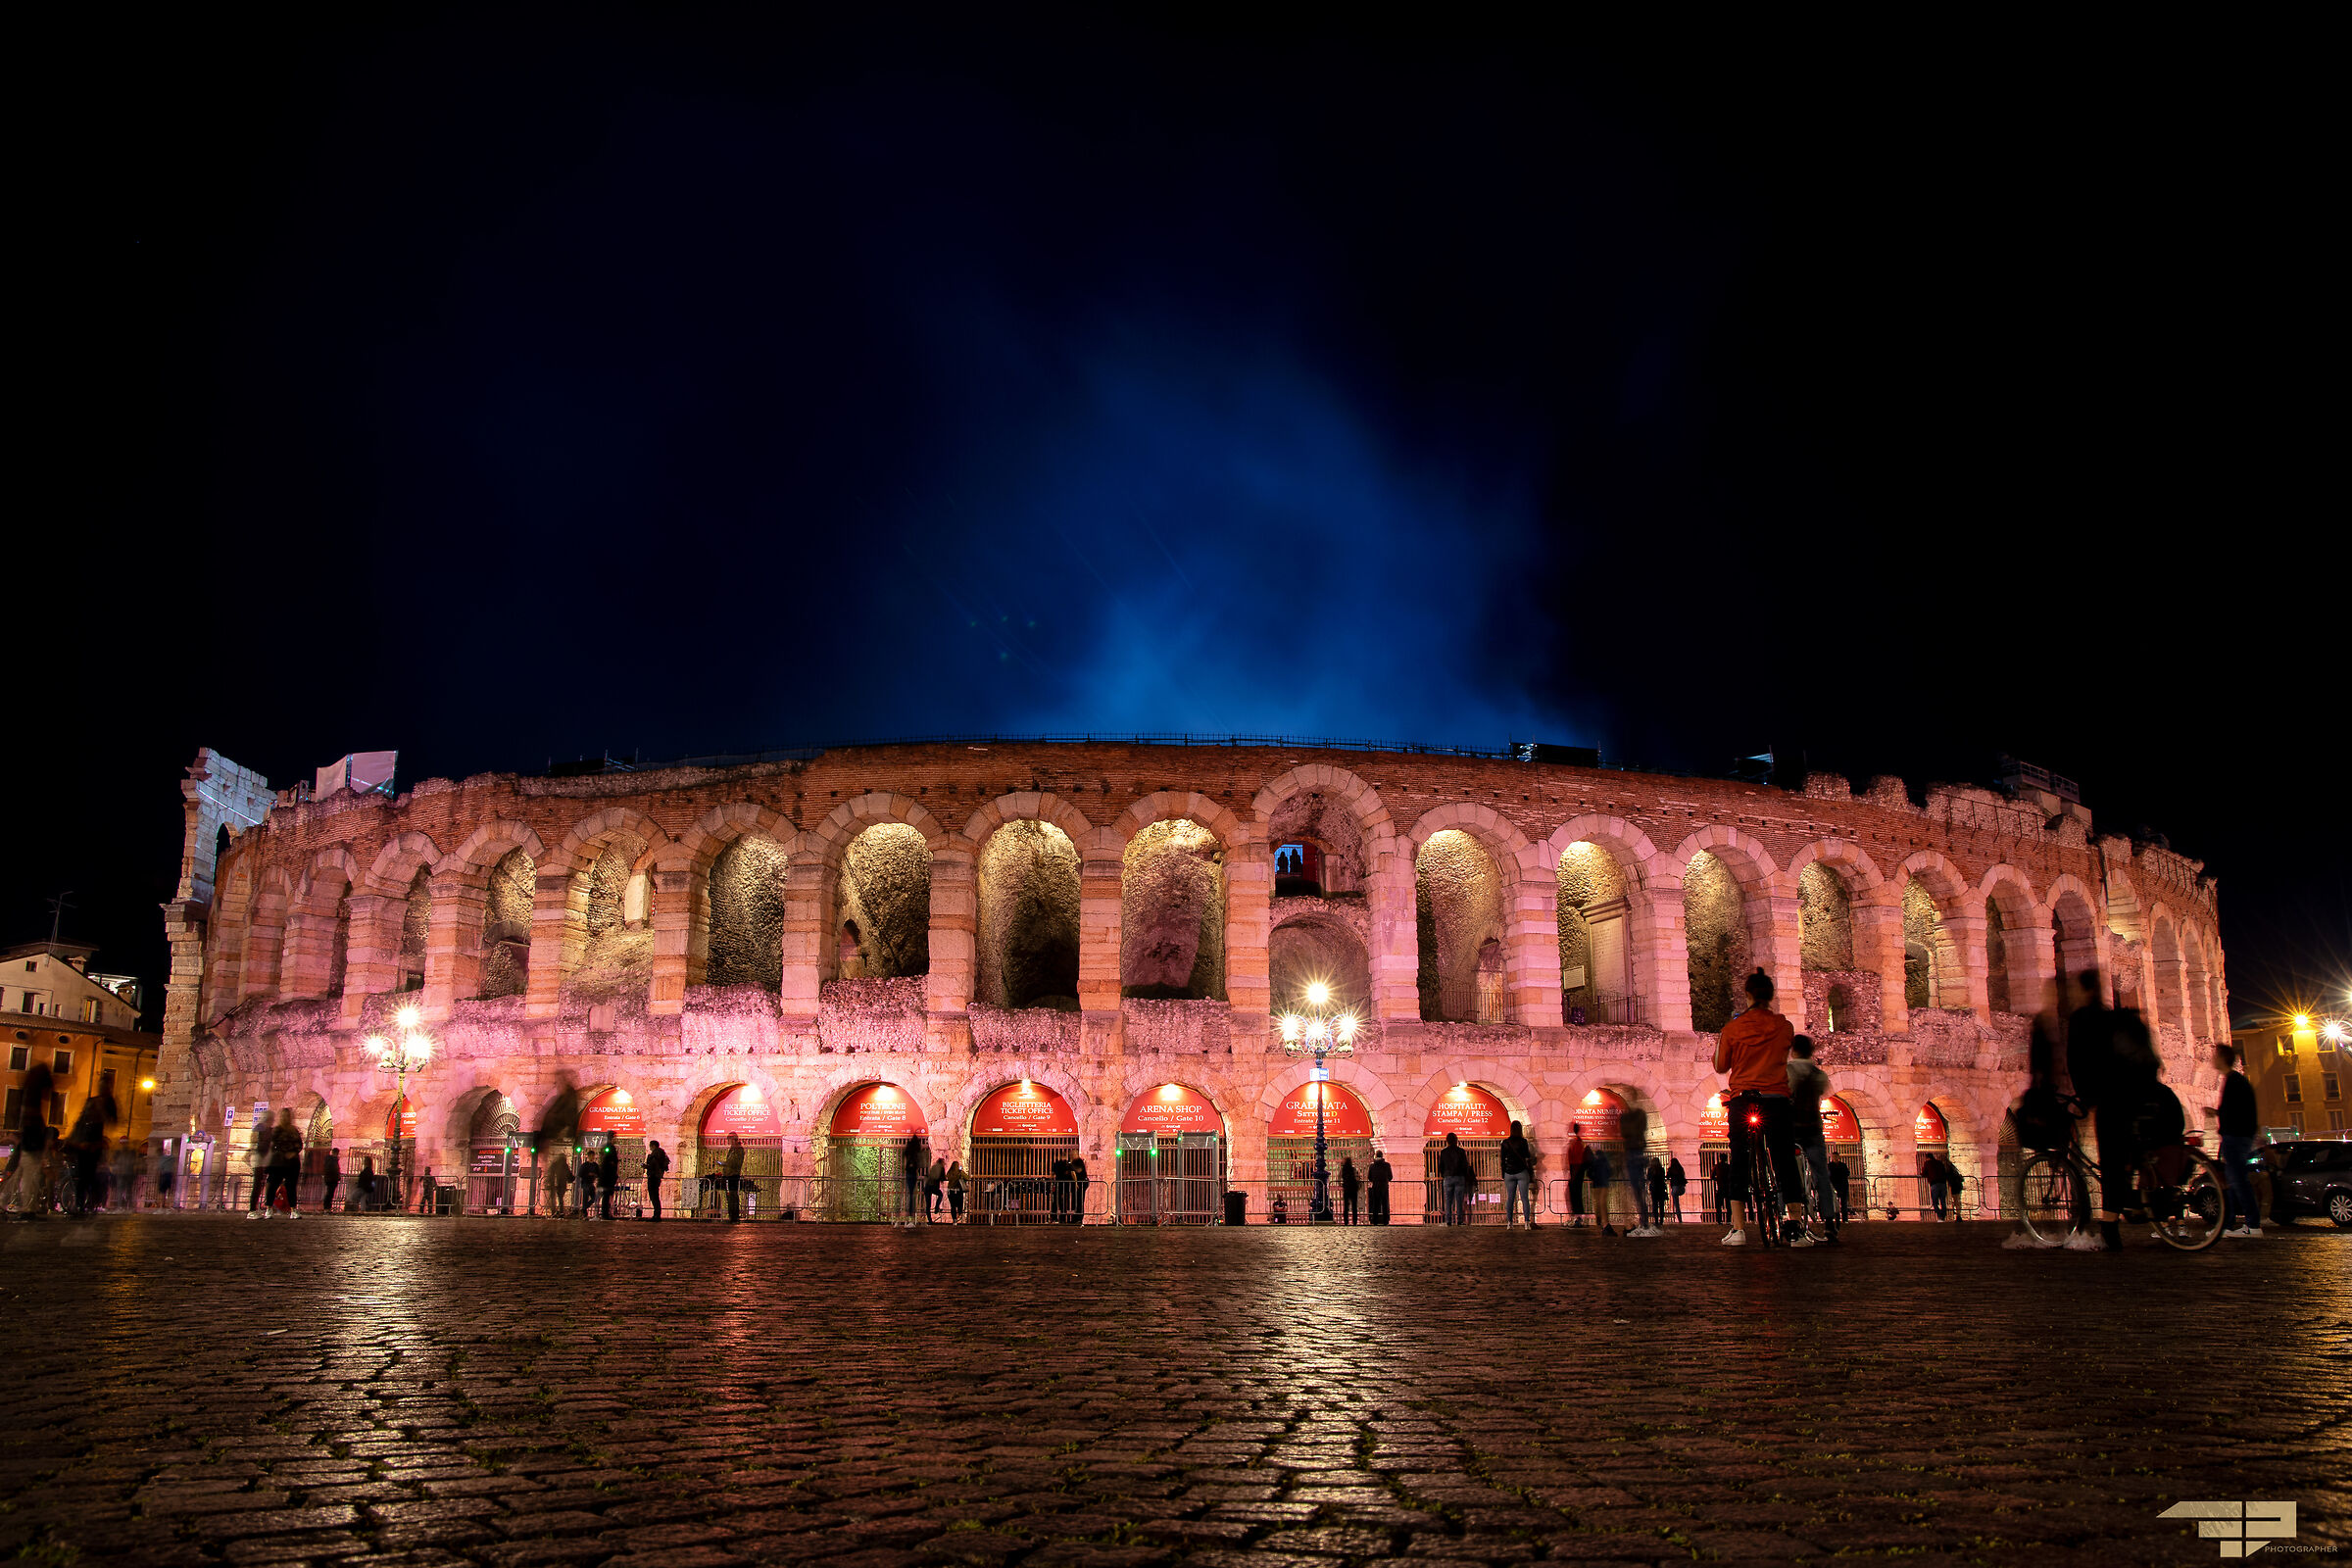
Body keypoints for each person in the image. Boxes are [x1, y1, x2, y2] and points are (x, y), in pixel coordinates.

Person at [2067, 968, 2160, 1252]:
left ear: (2083, 990)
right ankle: (2136, 1199)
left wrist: (2083, 1097)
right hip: (2139, 1090)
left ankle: (2110, 1222)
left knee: (2111, 1160)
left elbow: (2078, 1061)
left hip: (2111, 1096)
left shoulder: (2083, 1018)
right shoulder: (2114, 1016)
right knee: (2127, 1156)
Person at [1713, 967, 1807, 1246]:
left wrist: (1732, 1040)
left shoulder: (1733, 1028)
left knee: (1740, 1157)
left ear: (1748, 995)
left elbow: (1720, 1065)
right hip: (1776, 1099)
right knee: (1784, 1160)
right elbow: (1785, 1051)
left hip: (1744, 1098)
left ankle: (1738, 1228)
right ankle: (1795, 1224)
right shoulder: (1784, 1026)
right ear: (1771, 996)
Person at [1787, 1035, 1838, 1241]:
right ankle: (1829, 1222)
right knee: (1821, 1175)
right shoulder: (1819, 1074)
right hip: (1814, 1129)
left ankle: (1793, 1218)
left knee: (1788, 1173)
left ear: (1793, 1051)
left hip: (1793, 1129)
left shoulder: (1788, 1071)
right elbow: (1824, 1092)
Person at [2210, 1042, 2262, 1237]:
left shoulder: (2234, 1081)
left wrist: (2217, 1113)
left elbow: (2235, 1112)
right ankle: (2228, 1224)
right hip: (2236, 1136)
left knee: (2238, 1181)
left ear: (2223, 1058)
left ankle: (2253, 1225)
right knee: (2230, 1182)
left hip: (2236, 1137)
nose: (2212, 1060)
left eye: (2215, 1056)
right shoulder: (2234, 1080)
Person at [8, 1064, 56, 1219]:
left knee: (25, 1173)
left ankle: (23, 1205)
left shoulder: (28, 1093)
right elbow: (33, 1118)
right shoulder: (33, 1097)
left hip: (30, 1138)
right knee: (30, 1175)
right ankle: (29, 1208)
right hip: (32, 1139)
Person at [1620, 1105, 1656, 1235]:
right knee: (1639, 1193)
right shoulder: (1639, 1134)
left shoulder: (1631, 1134)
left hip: (1633, 1158)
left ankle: (1640, 1223)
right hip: (1638, 1157)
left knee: (1636, 1191)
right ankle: (1643, 1221)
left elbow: (1625, 1134)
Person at [266, 1107, 304, 1217]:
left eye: (287, 1116)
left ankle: (293, 1210)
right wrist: (283, 1153)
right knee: (273, 1185)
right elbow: (274, 1145)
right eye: (283, 1116)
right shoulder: (277, 1130)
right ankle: (268, 1208)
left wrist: (293, 1153)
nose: (285, 1118)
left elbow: (299, 1145)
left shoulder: (294, 1130)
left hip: (292, 1163)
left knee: (291, 1186)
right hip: (278, 1163)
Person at [1498, 1120, 1536, 1228]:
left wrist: (1503, 1173)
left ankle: (1510, 1223)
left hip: (1509, 1173)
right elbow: (1527, 1155)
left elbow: (1502, 1160)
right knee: (1524, 1198)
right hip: (1521, 1171)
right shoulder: (1523, 1142)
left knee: (1510, 1198)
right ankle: (1527, 1223)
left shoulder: (1505, 1143)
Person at [1437, 1132, 1474, 1225]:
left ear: (1447, 1141)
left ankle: (1448, 1220)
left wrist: (1444, 1175)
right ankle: (1459, 1220)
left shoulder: (1443, 1152)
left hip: (1448, 1177)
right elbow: (1465, 1165)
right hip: (1459, 1177)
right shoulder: (1461, 1151)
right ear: (1456, 1140)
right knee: (1459, 1200)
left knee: (1448, 1200)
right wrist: (1464, 1175)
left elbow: (1440, 1166)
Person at [1586, 1144, 1614, 1235]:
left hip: (1596, 1184)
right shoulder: (1605, 1160)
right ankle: (1604, 1222)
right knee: (1603, 1203)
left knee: (1597, 1202)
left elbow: (1589, 1173)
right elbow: (1610, 1171)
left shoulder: (1593, 1160)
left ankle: (1599, 1219)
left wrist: (1593, 1178)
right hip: (1604, 1183)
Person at [1566, 1123, 1589, 1225]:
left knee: (1576, 1194)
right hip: (1576, 1171)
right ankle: (1577, 1216)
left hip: (1576, 1171)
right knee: (1576, 1193)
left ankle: (1578, 1217)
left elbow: (1577, 1160)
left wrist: (1573, 1175)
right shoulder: (1578, 1142)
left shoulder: (1576, 1143)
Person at [643, 1138, 671, 1220]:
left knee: (654, 1196)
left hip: (653, 1177)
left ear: (653, 1146)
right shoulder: (661, 1154)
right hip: (657, 1177)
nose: (650, 1148)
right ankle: (657, 1214)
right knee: (655, 1196)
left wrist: (645, 1166)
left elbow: (653, 1167)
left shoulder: (655, 1155)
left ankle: (656, 1215)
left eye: (650, 1146)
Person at [725, 1132, 749, 1222]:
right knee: (731, 1195)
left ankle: (734, 1215)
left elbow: (734, 1162)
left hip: (733, 1175)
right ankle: (732, 1215)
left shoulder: (738, 1150)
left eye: (730, 1140)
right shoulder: (733, 1149)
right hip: (729, 1175)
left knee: (733, 1195)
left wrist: (724, 1164)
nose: (729, 1142)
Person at [1367, 1148, 1393, 1225]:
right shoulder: (1387, 1165)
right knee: (1385, 1204)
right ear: (1382, 1156)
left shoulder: (1372, 1166)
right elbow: (1390, 1177)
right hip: (1384, 1186)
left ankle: (1375, 1221)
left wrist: (1374, 1180)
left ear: (1375, 1156)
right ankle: (1385, 1221)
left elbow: (1369, 1177)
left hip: (1376, 1186)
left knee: (1376, 1204)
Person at [1922, 1152, 1948, 1220]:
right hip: (1943, 1184)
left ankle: (1940, 1215)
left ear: (1927, 1157)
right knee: (1943, 1201)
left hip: (1934, 1184)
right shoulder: (1939, 1163)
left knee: (1935, 1202)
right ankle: (1943, 1216)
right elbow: (1944, 1172)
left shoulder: (1927, 1163)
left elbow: (1924, 1173)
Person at [546, 1150, 572, 1217]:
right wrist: (571, 1178)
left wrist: (548, 1180)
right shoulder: (565, 1165)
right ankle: (561, 1212)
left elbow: (550, 1172)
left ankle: (553, 1211)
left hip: (554, 1183)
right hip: (562, 1183)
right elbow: (568, 1174)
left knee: (553, 1198)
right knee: (560, 1198)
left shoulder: (555, 1164)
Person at [1646, 1157, 1668, 1234]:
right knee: (1661, 1205)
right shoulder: (1661, 1169)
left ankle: (1656, 1220)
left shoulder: (1650, 1170)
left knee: (1655, 1205)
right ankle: (1661, 1220)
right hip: (1661, 1188)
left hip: (1654, 1188)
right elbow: (1663, 1178)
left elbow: (1648, 1178)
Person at [599, 1142, 619, 1220]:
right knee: (606, 1197)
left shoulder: (606, 1159)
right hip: (608, 1181)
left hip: (608, 1181)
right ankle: (605, 1213)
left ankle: (606, 1213)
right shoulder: (609, 1160)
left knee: (607, 1198)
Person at [1827, 1155, 1850, 1224]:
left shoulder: (1843, 1165)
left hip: (1843, 1186)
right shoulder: (1829, 1166)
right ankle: (1836, 1219)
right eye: (1834, 1157)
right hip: (1834, 1186)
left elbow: (1847, 1173)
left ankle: (1845, 1219)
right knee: (1834, 1204)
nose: (1835, 1158)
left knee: (1844, 1203)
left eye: (1836, 1157)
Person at [1339, 1156, 1361, 1224]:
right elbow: (1358, 1177)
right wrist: (1358, 1186)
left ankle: (1346, 1221)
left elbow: (1339, 1178)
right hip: (1354, 1188)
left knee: (1346, 1206)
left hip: (1346, 1188)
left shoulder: (1343, 1169)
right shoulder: (1353, 1169)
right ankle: (1355, 1221)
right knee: (1354, 1206)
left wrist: (1342, 1185)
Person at [1710, 1155, 1732, 1225]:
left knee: (1719, 1205)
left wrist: (1717, 1179)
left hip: (1720, 1187)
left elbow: (1712, 1176)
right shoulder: (1728, 1167)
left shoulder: (1717, 1166)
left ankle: (1719, 1220)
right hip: (1728, 1188)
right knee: (1728, 1205)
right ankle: (1728, 1220)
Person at [321, 1146, 343, 1215]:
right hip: (332, 1179)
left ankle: (327, 1208)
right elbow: (334, 1169)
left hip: (330, 1178)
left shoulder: (330, 1160)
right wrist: (337, 1175)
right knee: (330, 1194)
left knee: (330, 1194)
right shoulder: (333, 1160)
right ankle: (326, 1208)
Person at [1666, 1155, 1688, 1223]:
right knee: (1677, 1203)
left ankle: (1679, 1219)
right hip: (1682, 1188)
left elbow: (1667, 1176)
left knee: (1676, 1205)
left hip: (1675, 1187)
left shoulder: (1671, 1169)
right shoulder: (1680, 1169)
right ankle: (1679, 1219)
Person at [925, 1155, 947, 1220]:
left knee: (928, 1204)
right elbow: (943, 1178)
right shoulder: (941, 1168)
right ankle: (937, 1207)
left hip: (927, 1186)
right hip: (934, 1186)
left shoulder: (933, 1167)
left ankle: (929, 1220)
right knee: (940, 1195)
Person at [946, 1159, 966, 1223]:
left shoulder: (949, 1172)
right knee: (960, 1204)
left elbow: (947, 1177)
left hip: (950, 1191)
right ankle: (959, 1214)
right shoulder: (960, 1172)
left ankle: (954, 1219)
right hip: (958, 1191)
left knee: (953, 1206)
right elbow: (968, 1177)